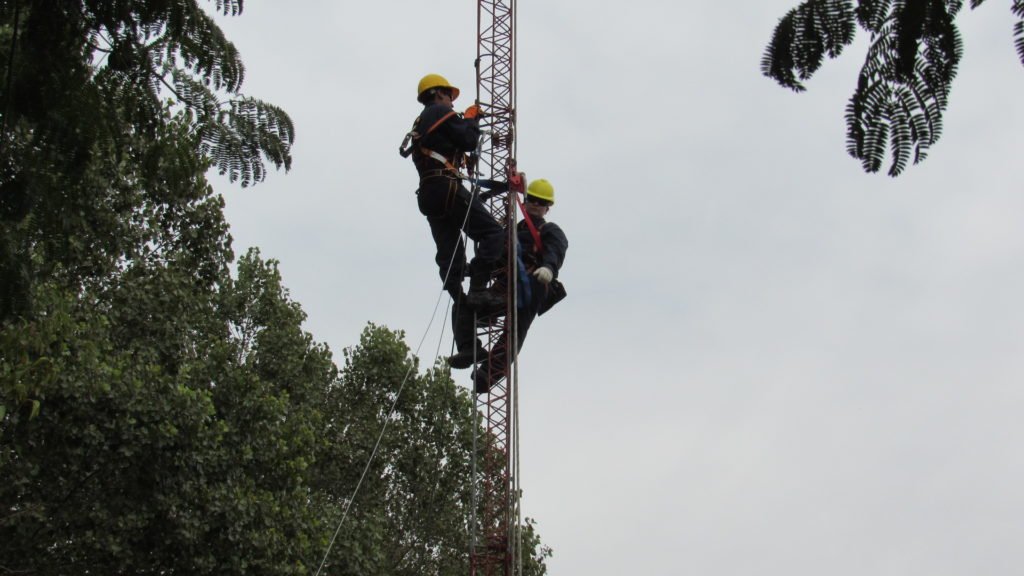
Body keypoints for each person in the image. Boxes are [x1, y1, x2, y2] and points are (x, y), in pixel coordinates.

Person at [401, 73, 504, 369]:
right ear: (438, 94)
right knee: (492, 234)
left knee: (453, 270)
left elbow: (455, 148)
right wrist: (471, 119)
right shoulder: (438, 112)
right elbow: (470, 140)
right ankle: (481, 291)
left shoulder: (422, 124)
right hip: (446, 186)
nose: (452, 101)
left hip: (430, 194)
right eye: (449, 95)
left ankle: (468, 345)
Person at [472, 178, 568, 393]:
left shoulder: (550, 230)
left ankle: (489, 373)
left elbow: (557, 250)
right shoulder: (510, 230)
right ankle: (468, 348)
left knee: (514, 331)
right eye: (532, 200)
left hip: (532, 284)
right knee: (468, 307)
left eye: (540, 202)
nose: (535, 205)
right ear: (525, 201)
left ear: (547, 208)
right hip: (506, 283)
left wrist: (549, 269)